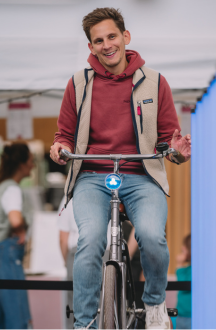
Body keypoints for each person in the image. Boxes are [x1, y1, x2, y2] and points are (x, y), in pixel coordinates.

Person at [50, 7, 191, 329]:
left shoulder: (154, 82)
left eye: (112, 36)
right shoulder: (78, 83)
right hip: (92, 176)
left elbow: (167, 144)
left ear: (125, 37)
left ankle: (154, 305)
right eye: (98, 40)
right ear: (91, 47)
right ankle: (83, 323)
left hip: (142, 175)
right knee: (90, 241)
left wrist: (178, 154)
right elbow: (64, 135)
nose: (106, 44)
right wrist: (60, 149)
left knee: (153, 237)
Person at [0, 143, 34, 329]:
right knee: (16, 311)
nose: (33, 165)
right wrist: (21, 230)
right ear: (21, 163)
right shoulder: (12, 188)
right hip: (8, 253)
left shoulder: (2, 186)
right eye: (31, 160)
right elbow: (15, 219)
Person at [58, 196, 78, 329]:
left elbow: (63, 239)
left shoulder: (68, 197)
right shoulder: (112, 189)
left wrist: (67, 262)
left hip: (76, 253)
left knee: (73, 305)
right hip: (107, 252)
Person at [175, 234, 192, 329]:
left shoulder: (195, 270)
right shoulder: (188, 269)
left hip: (188, 316)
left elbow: (183, 284)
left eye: (185, 247)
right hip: (182, 315)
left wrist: (179, 264)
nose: (182, 249)